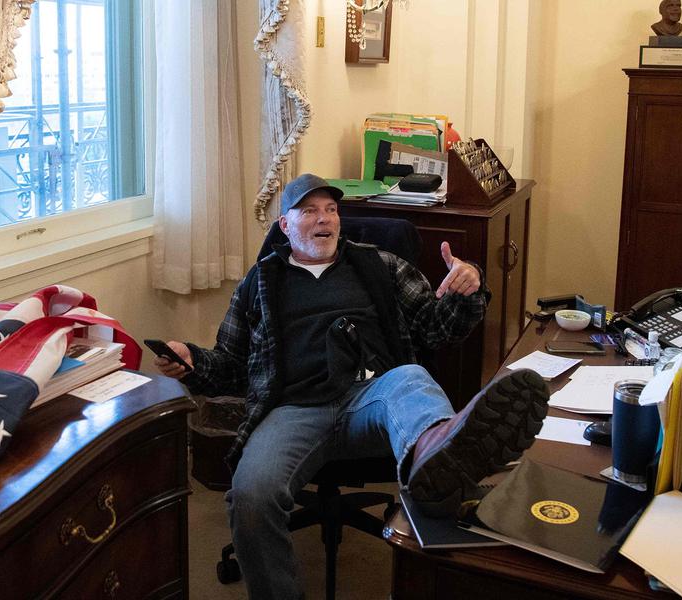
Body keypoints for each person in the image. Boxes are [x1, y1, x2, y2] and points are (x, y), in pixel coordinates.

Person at [154, 173, 549, 600]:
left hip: (373, 397)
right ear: (284, 226)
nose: (324, 220)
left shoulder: (378, 264)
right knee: (250, 497)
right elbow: (231, 367)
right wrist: (192, 362)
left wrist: (467, 289)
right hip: (293, 409)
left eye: (331, 210)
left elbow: (438, 330)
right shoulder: (259, 283)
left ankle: (438, 457)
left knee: (411, 378)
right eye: (309, 211)